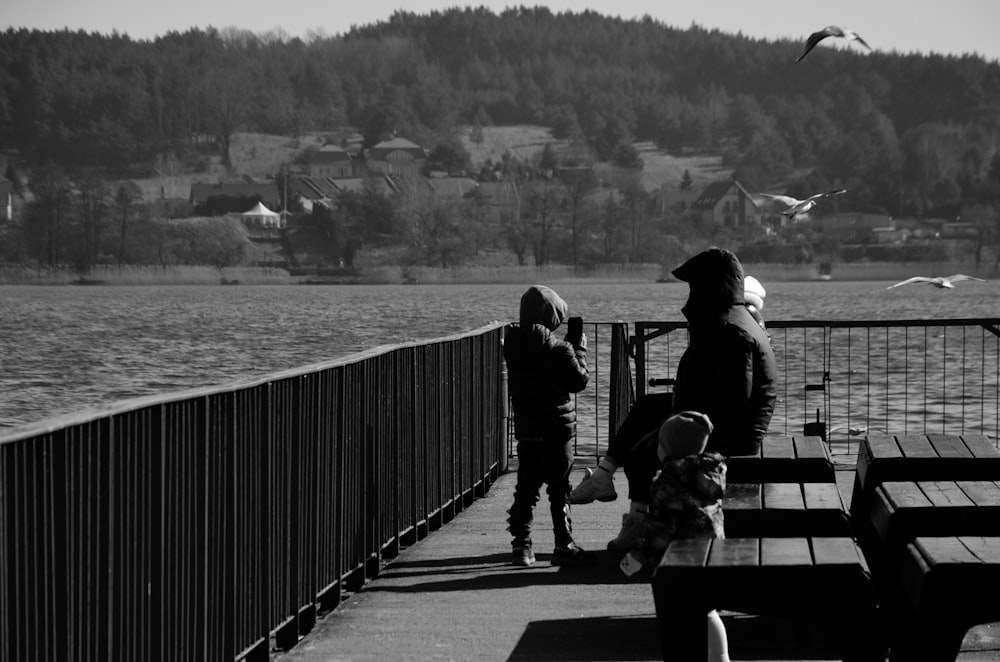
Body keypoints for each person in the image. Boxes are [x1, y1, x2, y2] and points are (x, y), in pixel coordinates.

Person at [570, 247, 776, 552]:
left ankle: (638, 529)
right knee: (646, 407)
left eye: (696, 287)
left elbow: (734, 400)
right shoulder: (731, 320)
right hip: (723, 422)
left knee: (640, 457)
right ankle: (604, 476)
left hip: (731, 436)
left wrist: (682, 426)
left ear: (713, 287)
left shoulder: (731, 330)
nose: (691, 296)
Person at [618, 411, 730, 662]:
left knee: (682, 616)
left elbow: (659, 527)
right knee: (708, 612)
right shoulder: (706, 474)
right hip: (711, 553)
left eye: (660, 443)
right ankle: (721, 657)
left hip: (681, 560)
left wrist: (637, 557)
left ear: (669, 450)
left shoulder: (670, 482)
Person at [504, 285, 591, 566]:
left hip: (528, 431)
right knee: (559, 489)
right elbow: (578, 381)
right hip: (557, 431)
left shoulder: (513, 348)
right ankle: (563, 542)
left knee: (526, 492)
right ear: (552, 317)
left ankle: (521, 546)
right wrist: (579, 348)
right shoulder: (561, 349)